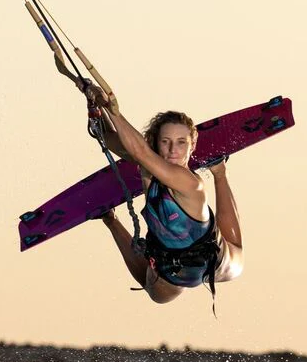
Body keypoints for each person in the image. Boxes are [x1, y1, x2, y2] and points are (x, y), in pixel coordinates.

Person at [79, 83, 244, 305]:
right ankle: (110, 220)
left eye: (181, 142)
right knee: (157, 295)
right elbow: (110, 138)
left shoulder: (190, 184)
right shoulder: (148, 166)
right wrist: (95, 106)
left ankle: (219, 172)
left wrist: (110, 106)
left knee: (237, 258)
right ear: (156, 143)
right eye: (165, 142)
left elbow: (140, 151)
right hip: (169, 269)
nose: (173, 150)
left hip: (212, 262)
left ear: (193, 145)